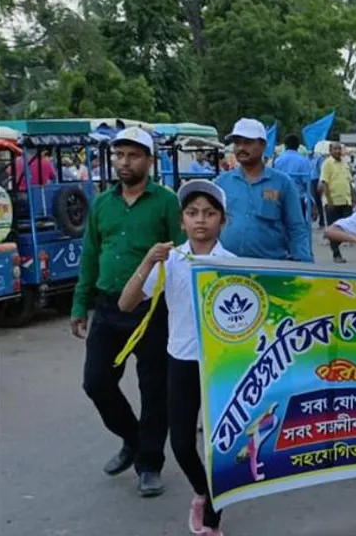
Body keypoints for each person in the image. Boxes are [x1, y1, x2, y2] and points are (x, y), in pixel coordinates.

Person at [71, 127, 183, 498]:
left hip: (153, 309)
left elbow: (182, 257)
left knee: (155, 390)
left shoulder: (166, 202)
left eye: (133, 156)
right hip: (108, 305)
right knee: (96, 382)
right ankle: (132, 438)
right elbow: (90, 255)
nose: (124, 163)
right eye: (119, 155)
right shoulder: (103, 203)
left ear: (149, 161)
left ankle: (149, 464)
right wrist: (79, 304)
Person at [117, 180, 233, 535]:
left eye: (210, 213)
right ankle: (202, 491)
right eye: (193, 213)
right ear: (182, 221)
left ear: (222, 221)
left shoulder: (234, 265)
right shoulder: (173, 261)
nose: (201, 221)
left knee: (222, 446)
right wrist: (148, 261)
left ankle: (213, 516)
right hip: (182, 361)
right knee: (182, 442)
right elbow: (126, 303)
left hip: (223, 366)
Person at [216, 118, 313, 262]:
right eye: (237, 143)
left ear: (263, 145)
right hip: (227, 268)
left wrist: (303, 265)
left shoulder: (282, 183)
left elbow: (296, 228)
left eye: (248, 142)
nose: (241, 148)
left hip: (269, 269)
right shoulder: (221, 183)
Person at [320, 141, 355, 263]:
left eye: (339, 149)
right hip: (333, 202)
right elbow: (324, 182)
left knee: (347, 228)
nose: (337, 151)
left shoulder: (345, 163)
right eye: (335, 149)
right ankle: (336, 254)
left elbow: (349, 182)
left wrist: (353, 198)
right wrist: (329, 201)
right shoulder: (327, 164)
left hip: (346, 200)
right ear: (330, 151)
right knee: (334, 229)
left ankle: (330, 237)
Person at [273, 134, 313, 219]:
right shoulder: (303, 161)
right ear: (298, 146)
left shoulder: (277, 161)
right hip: (298, 199)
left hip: (281, 198)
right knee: (297, 225)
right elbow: (307, 183)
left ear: (285, 145)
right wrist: (312, 202)